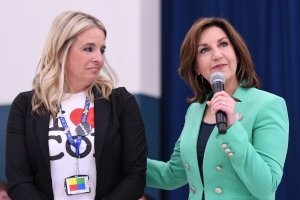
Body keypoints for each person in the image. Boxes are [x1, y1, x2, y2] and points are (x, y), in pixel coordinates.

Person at [5, 11, 147, 200]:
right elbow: (18, 181)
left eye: (102, 50)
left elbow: (135, 176)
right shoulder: (25, 106)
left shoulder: (121, 103)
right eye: (89, 49)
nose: (99, 58)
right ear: (60, 53)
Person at [146, 17, 288, 200]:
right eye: (204, 50)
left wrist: (232, 129)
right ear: (196, 66)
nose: (217, 55)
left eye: (223, 44)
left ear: (236, 53)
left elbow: (266, 186)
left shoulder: (268, 105)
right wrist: (121, 161)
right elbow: (172, 175)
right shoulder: (195, 110)